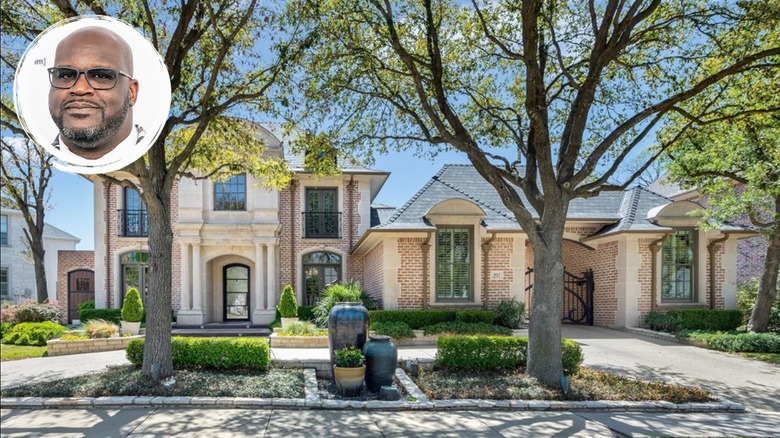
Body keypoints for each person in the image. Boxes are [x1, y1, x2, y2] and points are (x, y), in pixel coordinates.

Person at [47, 26, 141, 166]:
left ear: (131, 92)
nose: (79, 88)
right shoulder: (46, 160)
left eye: (101, 75)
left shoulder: (147, 159)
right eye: (66, 75)